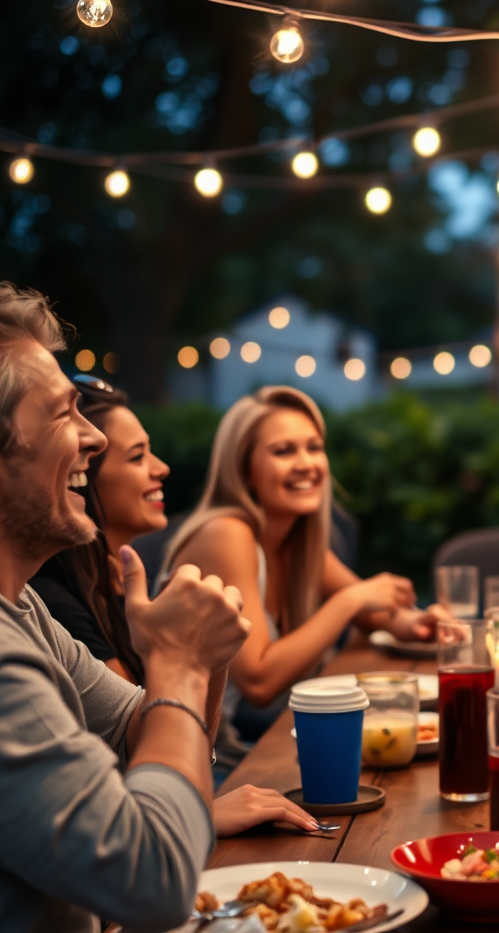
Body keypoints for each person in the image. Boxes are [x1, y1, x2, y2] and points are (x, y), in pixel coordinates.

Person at [0, 281, 250, 932]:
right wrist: (180, 665)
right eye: (62, 415)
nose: (94, 439)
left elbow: (150, 730)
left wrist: (202, 656)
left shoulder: (22, 612)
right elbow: (156, 882)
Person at [31, 376, 320, 835]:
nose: (162, 468)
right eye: (137, 457)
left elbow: (149, 735)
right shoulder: (52, 601)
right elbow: (134, 776)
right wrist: (187, 658)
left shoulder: (51, 601)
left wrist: (209, 656)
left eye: (314, 447)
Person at [164, 386, 439, 761]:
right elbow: (259, 681)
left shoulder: (294, 538)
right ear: (244, 469)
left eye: (314, 447)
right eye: (283, 451)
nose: (307, 463)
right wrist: (350, 601)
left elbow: (376, 611)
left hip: (257, 745)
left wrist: (420, 623)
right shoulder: (226, 533)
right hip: (204, 761)